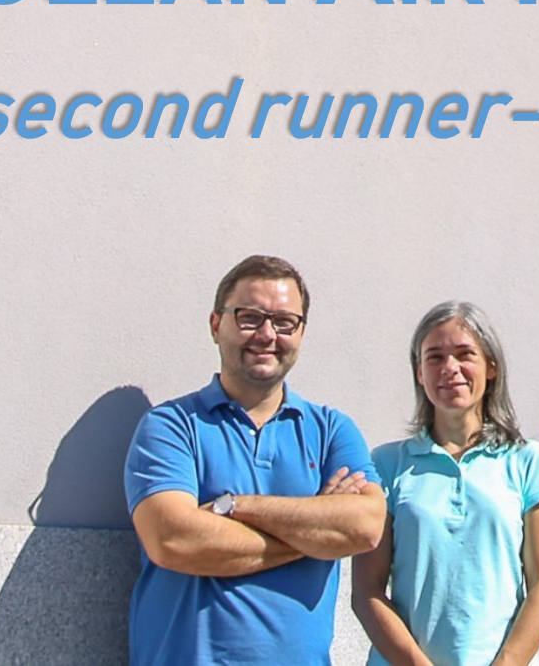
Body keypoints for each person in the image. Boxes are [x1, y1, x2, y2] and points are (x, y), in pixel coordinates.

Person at [124, 255, 386, 665]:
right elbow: (173, 539)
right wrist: (316, 533)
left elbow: (366, 527)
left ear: (301, 333)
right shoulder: (170, 426)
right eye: (249, 318)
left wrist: (233, 506)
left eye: (284, 322)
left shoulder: (331, 430)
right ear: (216, 325)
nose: (267, 334)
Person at [354, 301, 539, 666]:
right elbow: (366, 592)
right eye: (435, 357)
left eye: (465, 354)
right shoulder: (386, 465)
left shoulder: (530, 461)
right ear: (419, 373)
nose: (450, 368)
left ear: (491, 367)